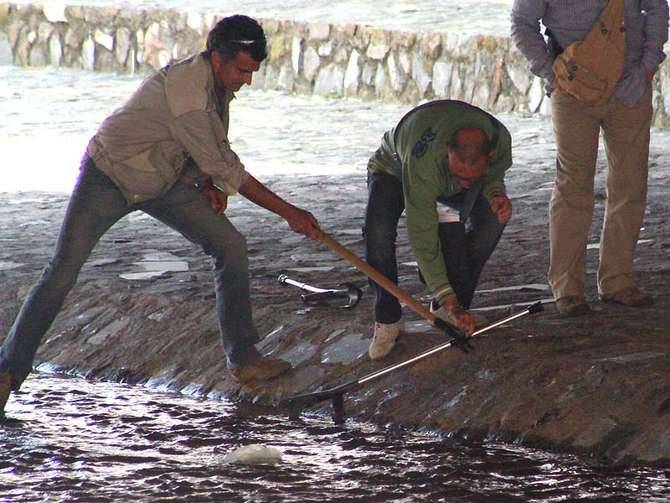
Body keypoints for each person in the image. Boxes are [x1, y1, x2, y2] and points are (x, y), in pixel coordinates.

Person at [0, 15, 323, 417]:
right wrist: (290, 213)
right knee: (62, 270)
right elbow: (226, 166)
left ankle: (243, 358)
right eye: (242, 70)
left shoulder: (216, 84)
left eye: (252, 72)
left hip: (165, 181)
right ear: (217, 58)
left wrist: (205, 184)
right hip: (110, 175)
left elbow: (204, 151)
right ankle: (8, 370)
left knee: (230, 246)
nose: (247, 80)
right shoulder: (188, 92)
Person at [511, 1, 669, 317]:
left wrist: (648, 66)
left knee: (630, 183)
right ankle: (567, 288)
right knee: (573, 185)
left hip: (629, 87)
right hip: (572, 90)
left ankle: (618, 280)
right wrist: (551, 73)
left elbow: (657, 8)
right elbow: (522, 23)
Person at [364, 100, 513, 360]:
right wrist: (445, 293)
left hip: (441, 176)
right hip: (394, 169)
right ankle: (388, 318)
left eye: (471, 177)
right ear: (447, 151)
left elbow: (493, 174)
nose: (465, 184)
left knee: (490, 223)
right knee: (378, 232)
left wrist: (494, 193)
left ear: (489, 156)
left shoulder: (500, 140)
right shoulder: (425, 159)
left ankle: (453, 309)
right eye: (459, 175)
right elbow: (423, 233)